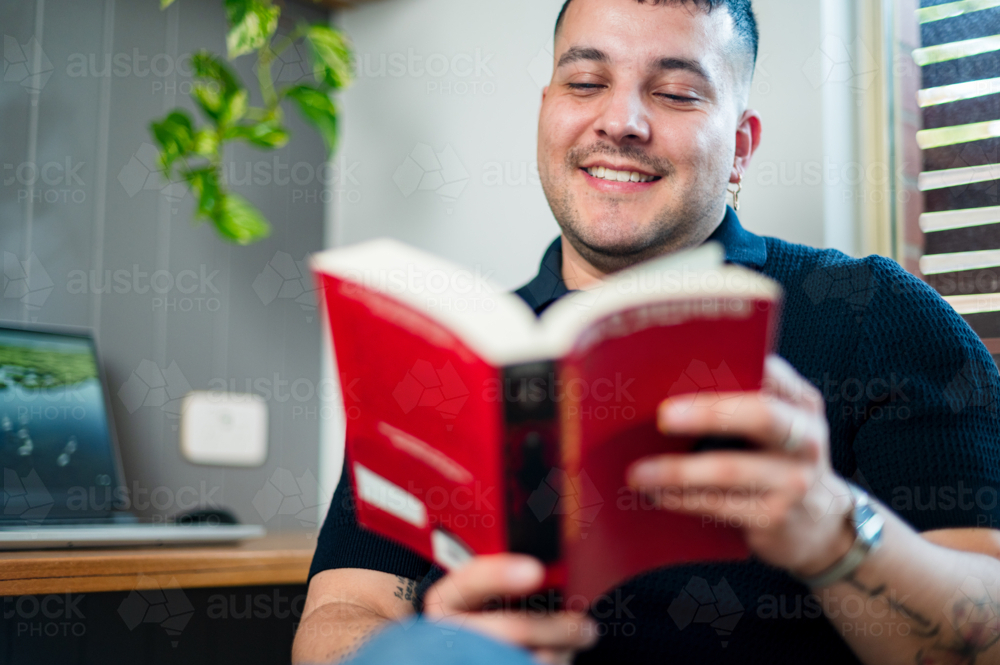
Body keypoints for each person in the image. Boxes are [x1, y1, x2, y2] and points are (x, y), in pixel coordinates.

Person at [293, 1, 1000, 663]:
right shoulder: (450, 352)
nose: (620, 120)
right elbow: (341, 610)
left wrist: (836, 532)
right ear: (546, 114)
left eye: (677, 93)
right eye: (585, 82)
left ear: (742, 148)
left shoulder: (876, 312)